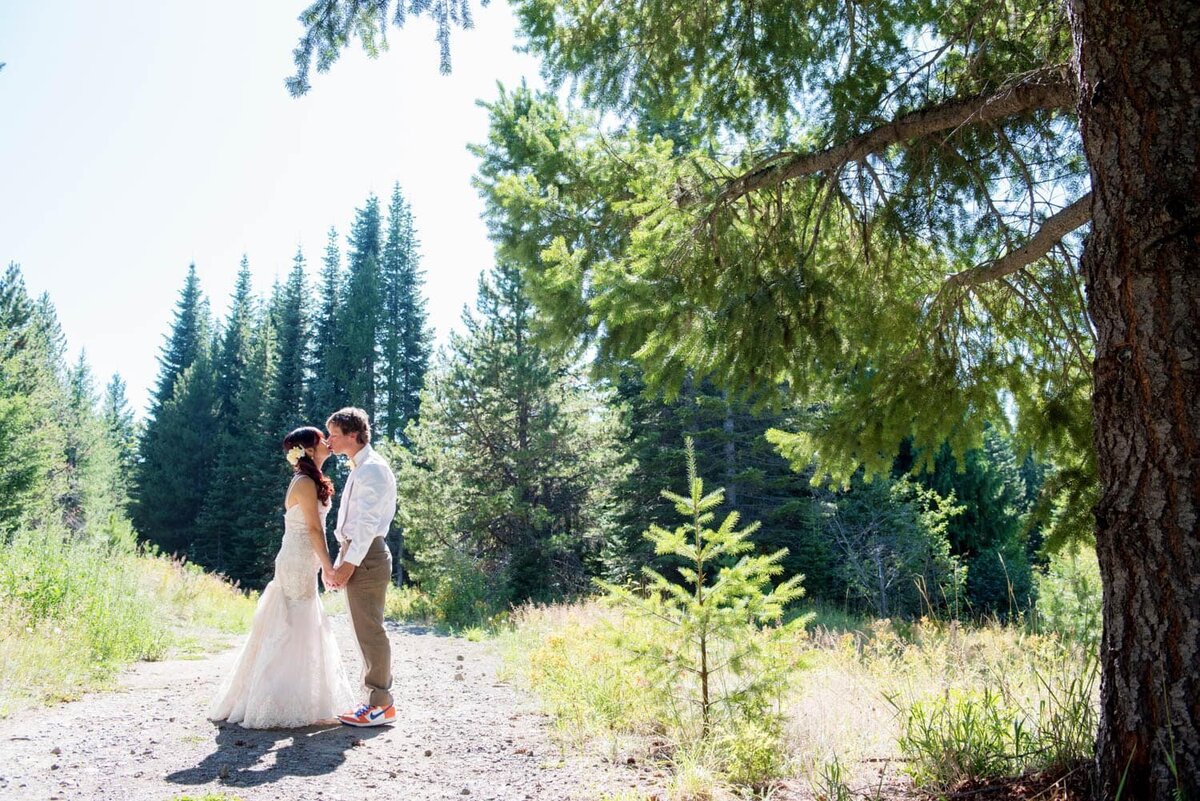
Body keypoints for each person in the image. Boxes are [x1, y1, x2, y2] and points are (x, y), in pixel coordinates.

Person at [208, 426, 353, 729]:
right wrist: (329, 566)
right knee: (295, 625)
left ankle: (300, 700)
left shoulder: (309, 480)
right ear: (309, 450)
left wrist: (325, 563)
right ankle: (278, 702)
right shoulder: (303, 482)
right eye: (320, 439)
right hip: (297, 560)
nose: (327, 442)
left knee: (302, 622)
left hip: (303, 559)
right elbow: (314, 530)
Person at [323, 407, 398, 727]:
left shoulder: (372, 469)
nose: (328, 441)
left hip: (367, 556)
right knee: (363, 630)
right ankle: (373, 700)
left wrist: (347, 566)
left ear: (353, 435)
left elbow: (367, 525)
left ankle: (381, 703)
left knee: (370, 631)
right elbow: (354, 526)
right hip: (359, 553)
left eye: (334, 435)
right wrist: (342, 559)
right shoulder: (360, 467)